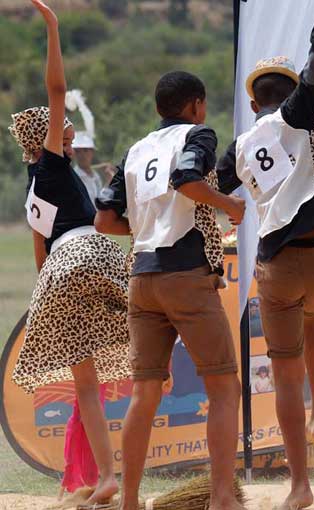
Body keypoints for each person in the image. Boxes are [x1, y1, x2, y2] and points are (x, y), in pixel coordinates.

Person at [94, 70, 246, 510]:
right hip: (185, 274)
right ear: (196, 104)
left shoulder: (136, 149)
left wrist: (145, 226)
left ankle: (130, 501)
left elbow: (104, 219)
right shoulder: (199, 135)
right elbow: (186, 180)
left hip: (141, 277)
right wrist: (230, 205)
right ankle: (221, 496)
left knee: (144, 395)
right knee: (223, 387)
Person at [216, 2, 314, 508]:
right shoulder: (301, 118)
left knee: (285, 376)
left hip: (278, 266)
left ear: (253, 105)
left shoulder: (242, 145)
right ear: (291, 95)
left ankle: (300, 485)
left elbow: (212, 190)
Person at [8, 1, 129, 505]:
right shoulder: (58, 162)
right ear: (49, 138)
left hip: (57, 271)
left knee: (85, 387)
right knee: (156, 324)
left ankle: (105, 477)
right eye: (58, 127)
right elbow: (58, 89)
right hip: (94, 252)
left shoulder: (34, 188)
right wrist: (53, 28)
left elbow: (41, 264)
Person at [72, 131, 104, 205]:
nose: (82, 155)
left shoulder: (96, 176)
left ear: (92, 152)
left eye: (85, 150)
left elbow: (100, 201)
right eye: (77, 151)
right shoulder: (73, 178)